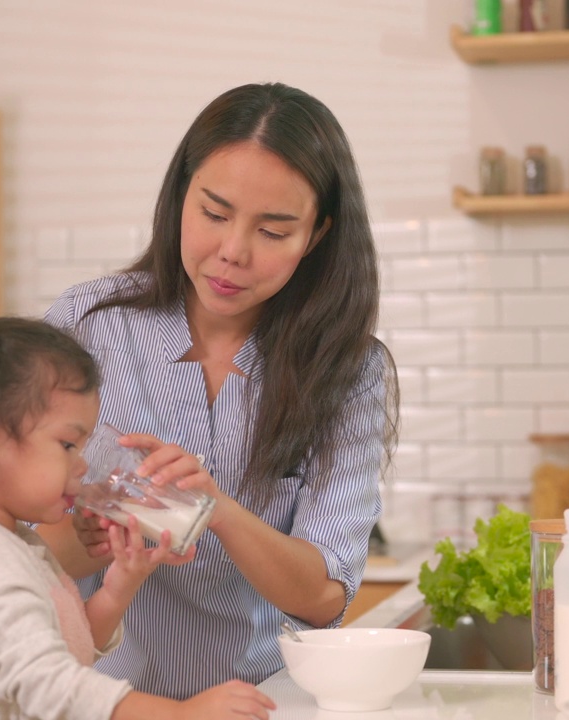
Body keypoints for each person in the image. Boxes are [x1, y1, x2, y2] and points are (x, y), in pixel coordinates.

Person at [40, 82, 399, 699]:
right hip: (94, 701)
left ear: (315, 237)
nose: (233, 253)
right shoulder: (86, 326)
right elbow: (25, 556)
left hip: (256, 703)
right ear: (180, 195)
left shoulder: (347, 370)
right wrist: (102, 530)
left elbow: (323, 599)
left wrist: (217, 509)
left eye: (274, 232)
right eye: (213, 214)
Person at [0, 309, 276, 720]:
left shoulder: (1, 538)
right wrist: (182, 713)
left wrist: (119, 587)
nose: (83, 466)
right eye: (67, 445)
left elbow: (66, 647)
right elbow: (51, 687)